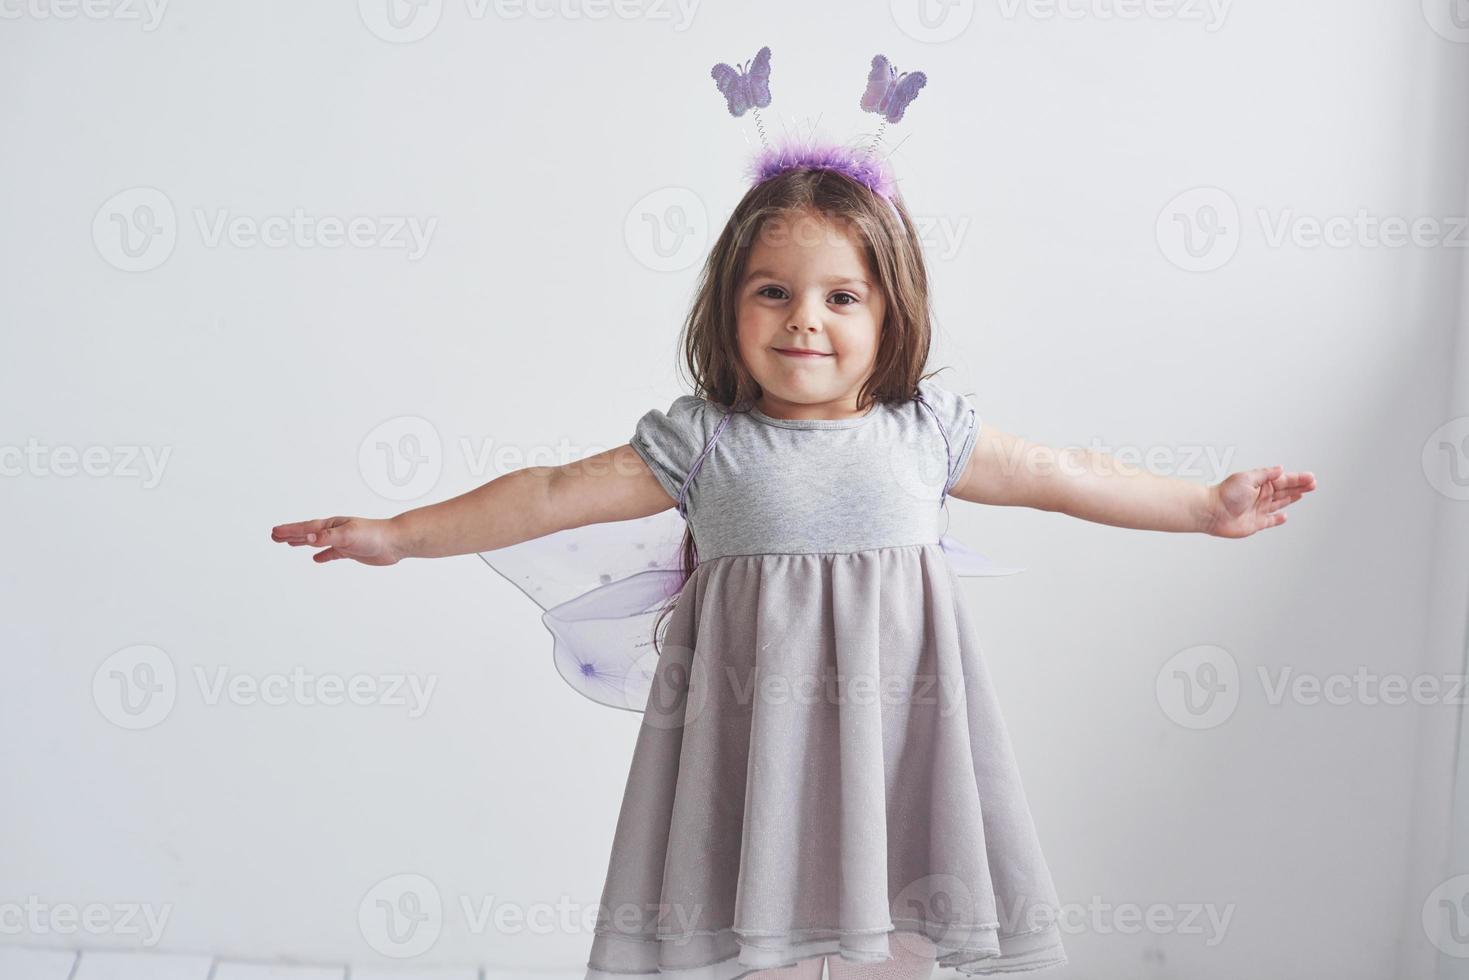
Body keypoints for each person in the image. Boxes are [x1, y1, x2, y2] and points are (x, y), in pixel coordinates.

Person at [271, 53, 1317, 980]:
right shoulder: (703, 440)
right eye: (771, 291)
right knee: (751, 918)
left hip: (895, 736)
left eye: (839, 298)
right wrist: (398, 532)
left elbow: (1063, 473)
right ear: (728, 304)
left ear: (888, 309)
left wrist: (1198, 504)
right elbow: (546, 491)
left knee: (898, 906)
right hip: (748, 734)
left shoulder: (922, 433)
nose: (802, 319)